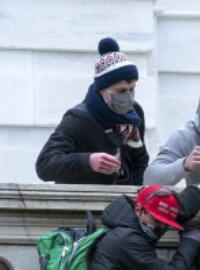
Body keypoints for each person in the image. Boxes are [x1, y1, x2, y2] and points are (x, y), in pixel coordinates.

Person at [35, 39, 148, 185]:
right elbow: (45, 165)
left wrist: (134, 194)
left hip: (122, 202)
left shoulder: (133, 114)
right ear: (102, 89)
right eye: (121, 91)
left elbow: (140, 160)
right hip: (82, 203)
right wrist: (88, 161)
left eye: (132, 89)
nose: (128, 96)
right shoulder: (78, 119)